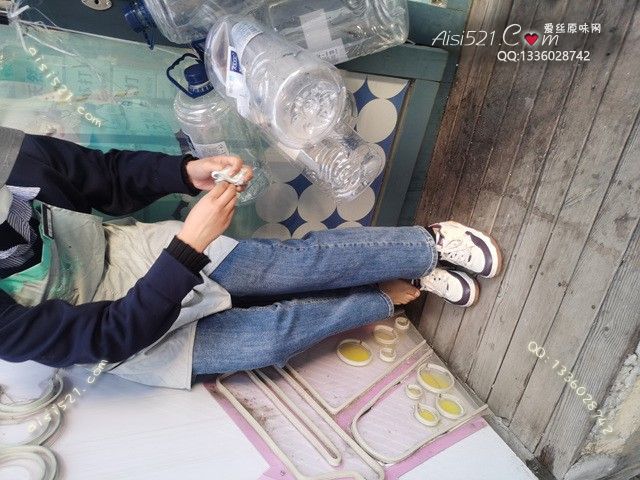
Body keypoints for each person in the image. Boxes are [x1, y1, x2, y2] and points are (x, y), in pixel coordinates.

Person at [0, 126, 502, 389]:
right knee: (270, 341)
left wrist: (184, 173)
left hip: (115, 252)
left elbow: (99, 174)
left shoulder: (4, 151)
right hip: (109, 338)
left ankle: (427, 244)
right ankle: (379, 296)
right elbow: (107, 334)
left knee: (288, 266)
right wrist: (187, 249)